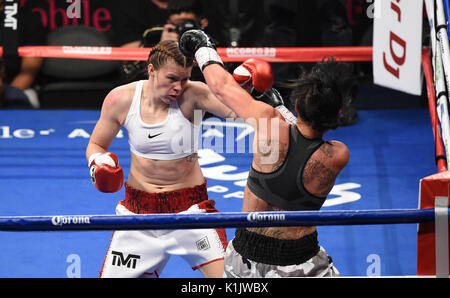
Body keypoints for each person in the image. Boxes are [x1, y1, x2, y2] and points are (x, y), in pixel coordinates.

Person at [179, 29, 352, 277]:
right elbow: (303, 139)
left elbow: (220, 87)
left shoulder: (268, 124)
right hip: (302, 259)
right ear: (337, 116)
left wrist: (202, 46)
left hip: (248, 254)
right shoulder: (338, 155)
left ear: (297, 104)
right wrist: (280, 108)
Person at [86, 40, 237, 278]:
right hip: (138, 215)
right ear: (151, 70)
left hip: (191, 211)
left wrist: (244, 86)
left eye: (184, 79)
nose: (178, 87)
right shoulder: (121, 99)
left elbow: (238, 110)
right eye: (171, 79)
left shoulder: (194, 95)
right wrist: (98, 163)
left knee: (232, 283)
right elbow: (96, 144)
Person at [118, 0, 210, 83]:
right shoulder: (153, 36)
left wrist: (204, 58)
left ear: (203, 23)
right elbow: (128, 75)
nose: (184, 31)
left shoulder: (212, 43)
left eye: (189, 25)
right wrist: (160, 50)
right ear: (168, 23)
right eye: (178, 26)